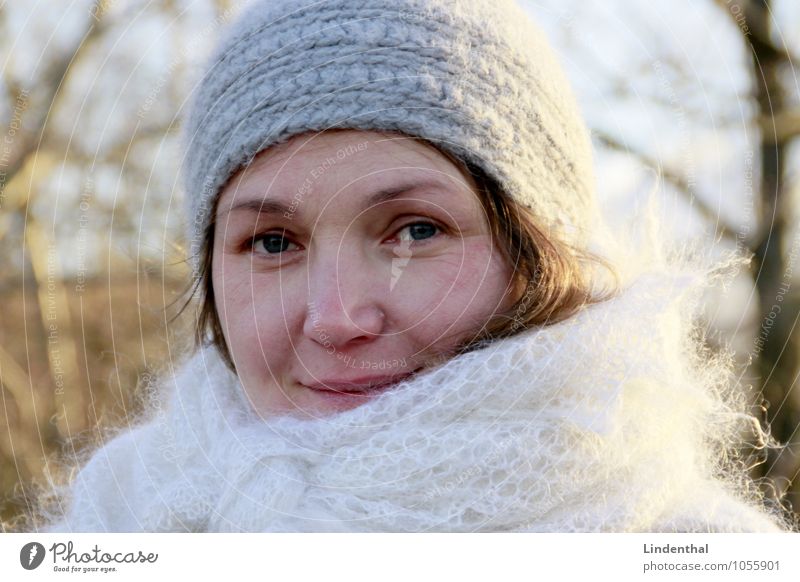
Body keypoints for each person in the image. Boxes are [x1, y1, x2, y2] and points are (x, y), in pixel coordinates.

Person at [33, 0, 792, 532]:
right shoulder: (121, 522)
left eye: (415, 230)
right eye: (272, 242)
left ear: (543, 255)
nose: (336, 317)